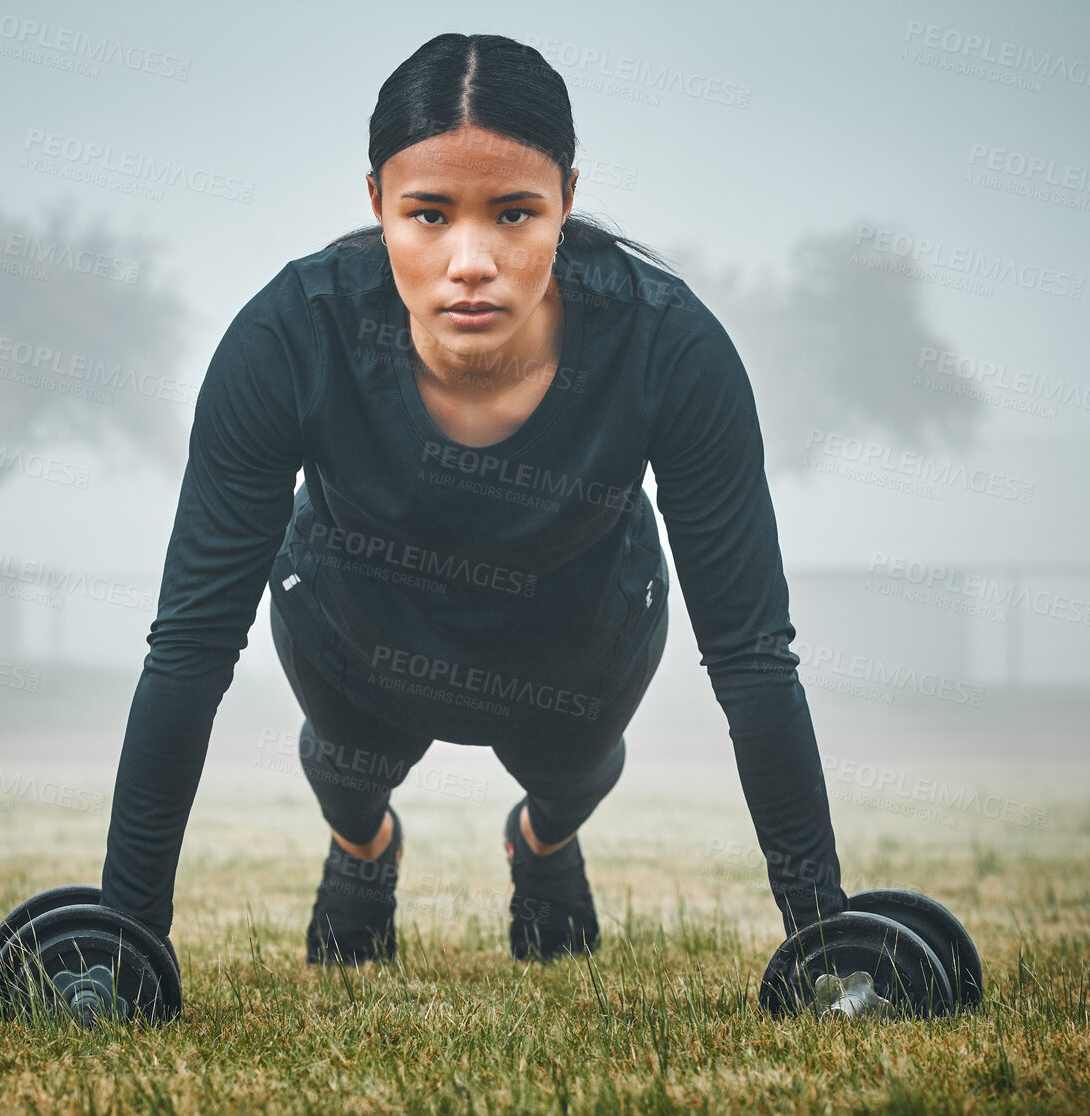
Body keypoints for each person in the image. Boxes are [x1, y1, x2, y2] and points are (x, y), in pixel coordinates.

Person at [99, 32, 847, 969]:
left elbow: (748, 652)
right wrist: (121, 936)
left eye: (513, 214)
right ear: (375, 203)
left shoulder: (671, 349)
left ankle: (539, 843)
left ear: (566, 201)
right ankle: (364, 851)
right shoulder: (288, 339)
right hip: (353, 633)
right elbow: (192, 643)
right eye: (427, 215)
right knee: (348, 770)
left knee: (572, 774)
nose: (470, 260)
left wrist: (826, 939)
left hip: (581, 642)